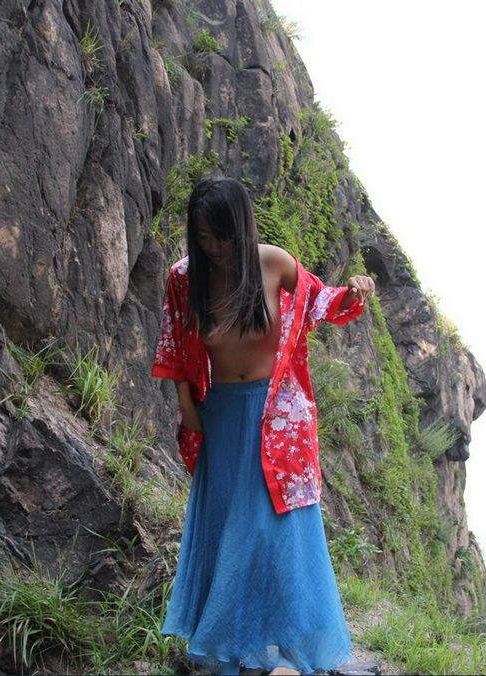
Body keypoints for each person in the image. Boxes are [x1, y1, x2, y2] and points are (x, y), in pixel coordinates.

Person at [150, 176, 375, 676]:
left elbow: (319, 301)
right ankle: (243, 651)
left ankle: (298, 655)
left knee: (281, 534)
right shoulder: (184, 277)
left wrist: (352, 292)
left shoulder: (273, 263)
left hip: (279, 418)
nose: (214, 248)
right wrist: (190, 412)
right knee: (231, 531)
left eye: (223, 237)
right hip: (222, 418)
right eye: (204, 237)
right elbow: (173, 346)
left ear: (243, 229)